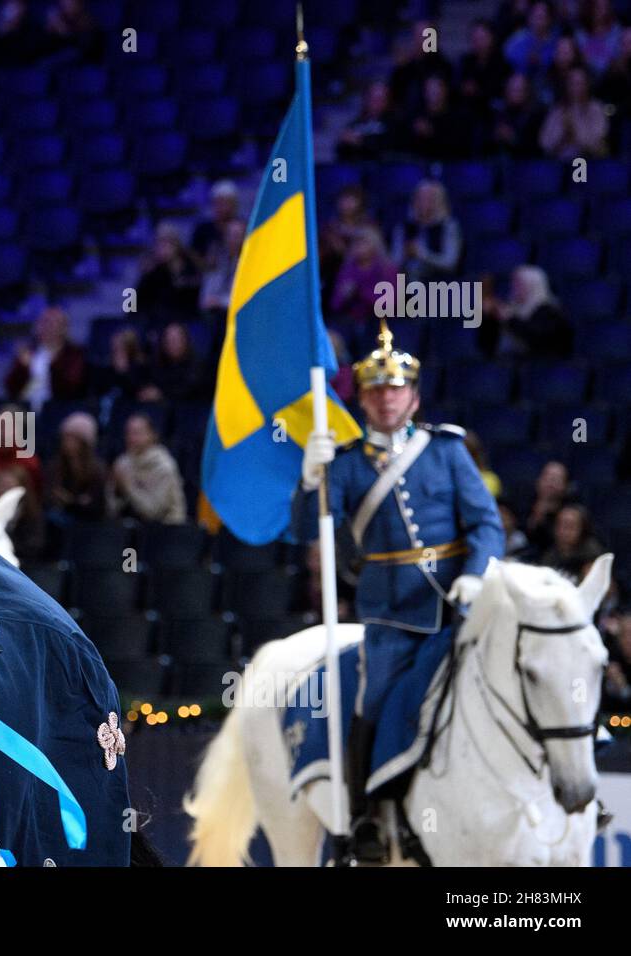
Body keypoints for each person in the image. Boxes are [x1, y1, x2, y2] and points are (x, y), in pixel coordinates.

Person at [294, 321, 505, 863]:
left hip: (460, 602)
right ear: (362, 398)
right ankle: (365, 814)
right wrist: (310, 479)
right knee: (375, 694)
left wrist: (477, 573)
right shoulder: (345, 462)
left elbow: (486, 524)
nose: (386, 399)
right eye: (375, 390)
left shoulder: (447, 450)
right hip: (391, 612)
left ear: (413, 396)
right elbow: (307, 530)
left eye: (396, 390)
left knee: (525, 665)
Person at [2, 304, 87, 411]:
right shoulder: (29, 352)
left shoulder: (74, 354)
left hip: (60, 408)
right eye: (43, 322)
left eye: (52, 323)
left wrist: (53, 364)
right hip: (26, 406)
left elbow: (71, 387)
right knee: (7, 412)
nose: (47, 327)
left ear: (64, 328)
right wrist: (23, 368)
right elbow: (11, 388)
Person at [108, 413, 185, 524]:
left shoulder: (164, 466)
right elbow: (111, 509)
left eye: (137, 433)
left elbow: (153, 512)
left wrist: (128, 486)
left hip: (165, 532)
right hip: (129, 529)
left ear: (152, 435)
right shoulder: (122, 463)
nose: (131, 438)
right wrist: (116, 491)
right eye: (128, 433)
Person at [391, 180, 461, 283]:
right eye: (420, 198)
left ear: (440, 202)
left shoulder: (449, 227)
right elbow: (393, 264)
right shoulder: (402, 227)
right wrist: (405, 255)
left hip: (441, 284)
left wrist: (422, 254)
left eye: (430, 198)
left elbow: (450, 263)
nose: (423, 202)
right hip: (407, 282)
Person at [47, 411, 106, 521]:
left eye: (74, 439)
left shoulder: (97, 469)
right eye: (66, 438)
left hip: (89, 523)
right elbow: (51, 494)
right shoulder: (55, 465)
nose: (68, 443)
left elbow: (96, 504)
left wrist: (72, 501)